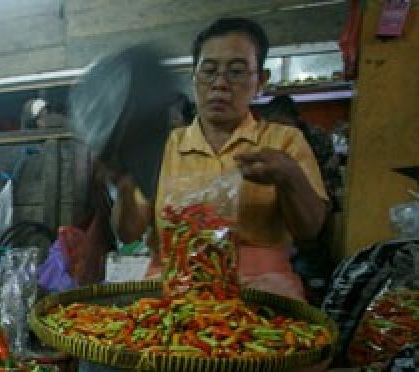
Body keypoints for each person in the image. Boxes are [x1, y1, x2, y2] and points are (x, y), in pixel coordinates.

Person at [115, 17, 328, 300]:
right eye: (209, 71)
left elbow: (310, 229)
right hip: (171, 291)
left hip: (261, 293)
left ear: (261, 81)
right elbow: (129, 234)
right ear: (194, 77)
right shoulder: (162, 148)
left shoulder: (284, 142)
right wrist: (124, 186)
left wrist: (289, 176)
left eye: (237, 72)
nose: (220, 84)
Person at [261, 95, 341, 210]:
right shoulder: (264, 137)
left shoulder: (316, 138)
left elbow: (329, 186)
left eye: (284, 126)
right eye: (274, 127)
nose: (281, 133)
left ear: (297, 122)